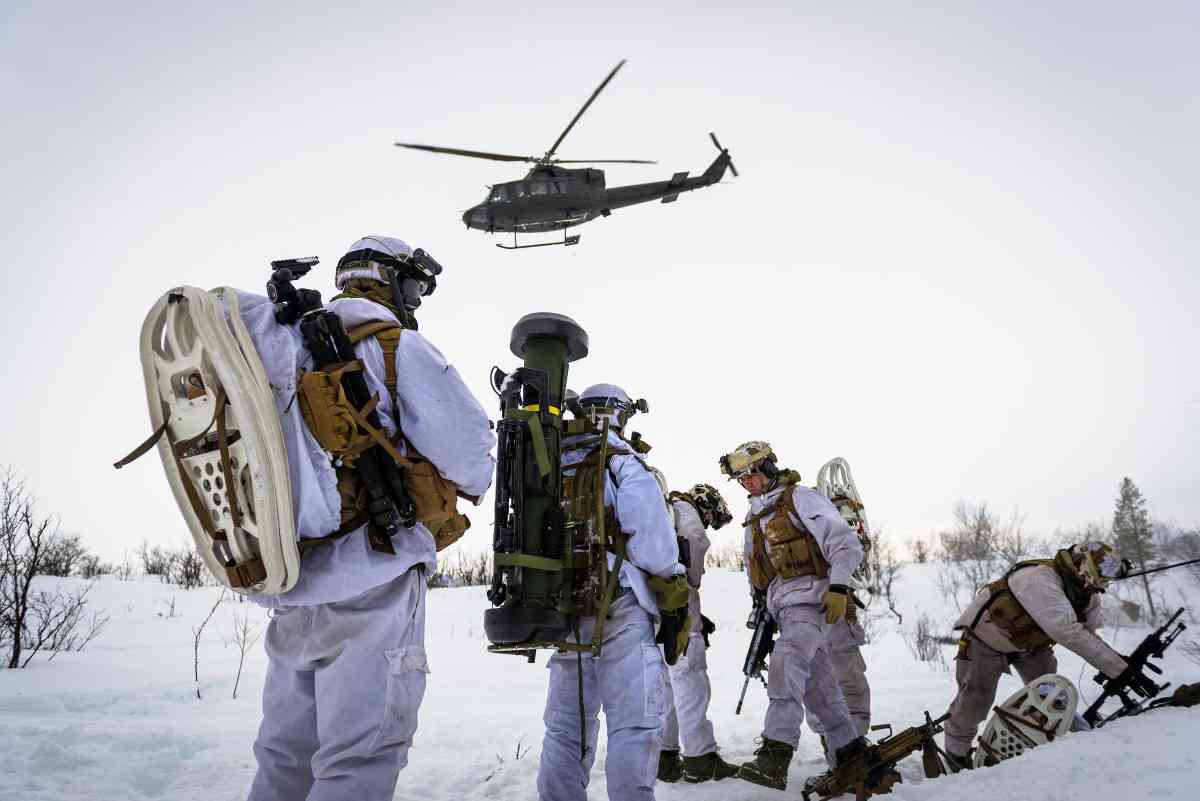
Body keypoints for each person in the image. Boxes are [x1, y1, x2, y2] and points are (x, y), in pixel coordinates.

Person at [247, 235, 495, 801]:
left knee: (284, 753)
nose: (417, 300)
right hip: (373, 571)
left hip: (294, 573)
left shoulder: (283, 343)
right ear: (392, 281)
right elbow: (469, 454)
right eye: (415, 287)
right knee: (359, 755)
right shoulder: (395, 345)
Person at [537, 383, 689, 801]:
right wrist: (673, 590)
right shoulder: (621, 461)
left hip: (565, 604)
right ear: (620, 414)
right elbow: (654, 543)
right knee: (634, 722)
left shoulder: (552, 463)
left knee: (566, 726)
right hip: (618, 600)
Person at [719, 440, 864, 791]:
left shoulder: (800, 498)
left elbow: (845, 543)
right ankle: (852, 758)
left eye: (750, 475)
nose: (746, 483)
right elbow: (758, 575)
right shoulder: (755, 516)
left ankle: (775, 754)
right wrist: (762, 611)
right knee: (819, 690)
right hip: (782, 610)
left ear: (768, 468)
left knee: (786, 661)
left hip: (812, 601)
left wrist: (839, 587)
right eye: (741, 479)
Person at [942, 540, 1147, 770]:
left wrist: (1120, 665)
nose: (1105, 578)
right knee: (974, 701)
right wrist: (1119, 669)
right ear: (1084, 563)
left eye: (1110, 572)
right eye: (1104, 570)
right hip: (985, 639)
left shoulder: (1087, 596)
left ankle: (1076, 736)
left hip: (1031, 647)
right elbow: (1069, 632)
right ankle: (956, 755)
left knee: (1051, 695)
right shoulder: (1038, 578)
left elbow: (1088, 636)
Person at [657, 483, 741, 784]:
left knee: (666, 687)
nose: (708, 522)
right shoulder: (687, 514)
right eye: (711, 517)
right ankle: (700, 759)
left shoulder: (664, 511)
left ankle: (665, 758)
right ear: (706, 504)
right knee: (691, 682)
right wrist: (692, 583)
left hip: (657, 612)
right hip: (679, 611)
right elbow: (693, 546)